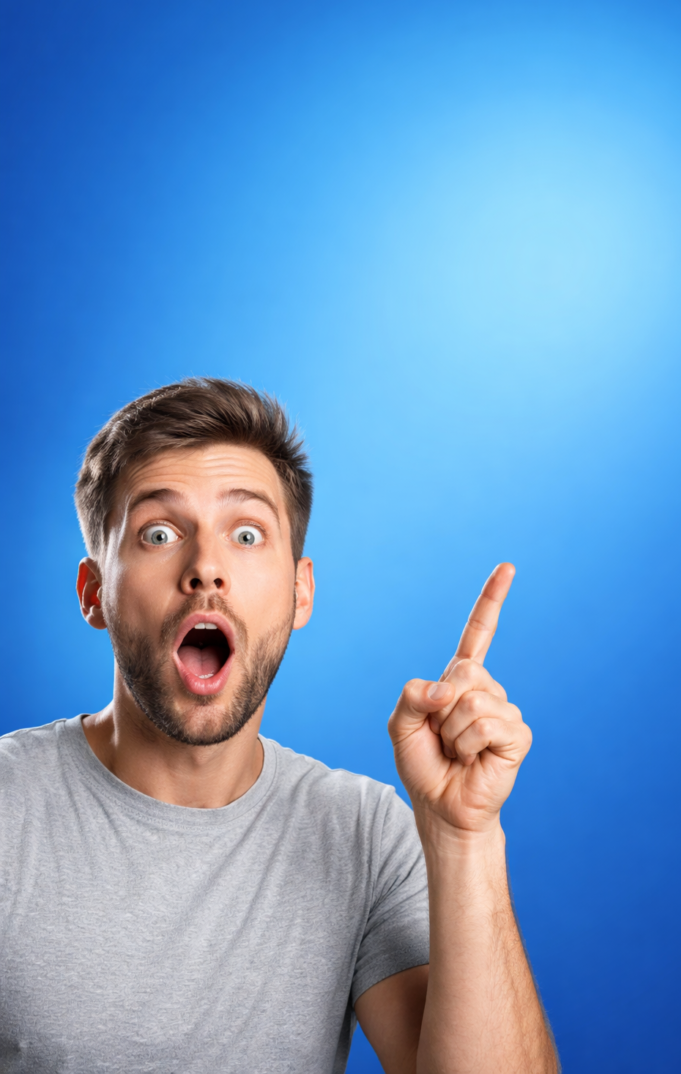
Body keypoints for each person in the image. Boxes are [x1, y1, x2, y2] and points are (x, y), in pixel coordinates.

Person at [0, 378, 558, 1074]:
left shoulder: (365, 833)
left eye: (246, 533)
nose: (206, 568)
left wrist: (463, 838)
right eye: (160, 532)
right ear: (95, 593)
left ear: (301, 592)